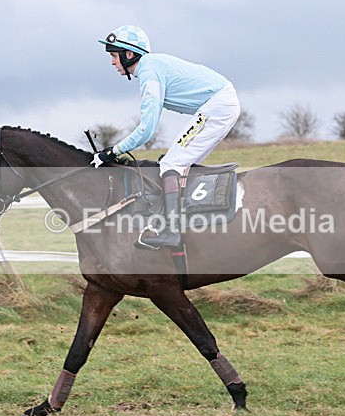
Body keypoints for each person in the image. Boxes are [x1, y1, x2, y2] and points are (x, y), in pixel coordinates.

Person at [94, 25, 241, 249]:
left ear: (129, 54)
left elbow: (147, 129)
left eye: (114, 55)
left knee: (172, 162)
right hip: (220, 102)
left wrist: (112, 151)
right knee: (175, 162)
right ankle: (188, 224)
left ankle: (171, 232)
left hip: (219, 104)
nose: (112, 62)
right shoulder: (150, 68)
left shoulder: (149, 72)